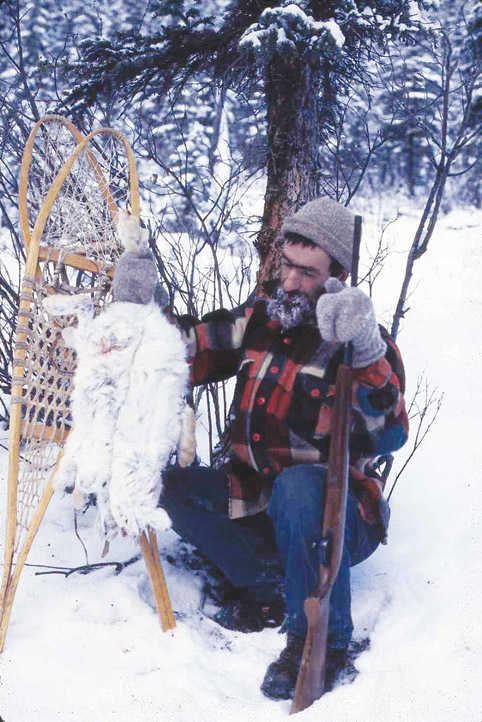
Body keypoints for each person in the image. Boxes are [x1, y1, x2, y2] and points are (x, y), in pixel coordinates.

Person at [113, 197, 408, 700]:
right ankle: (267, 585)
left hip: (333, 519)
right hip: (256, 499)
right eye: (286, 266)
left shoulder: (360, 340)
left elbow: (391, 432)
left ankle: (319, 642)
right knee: (163, 486)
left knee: (297, 488)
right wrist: (137, 305)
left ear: (338, 275)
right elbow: (185, 349)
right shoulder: (262, 318)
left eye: (308, 273)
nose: (291, 282)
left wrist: (364, 350)